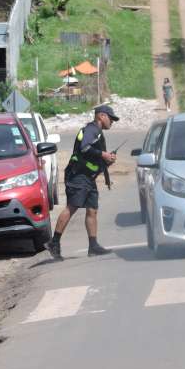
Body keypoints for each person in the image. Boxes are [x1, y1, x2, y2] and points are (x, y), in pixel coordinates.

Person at [45, 105, 119, 261]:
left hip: (88, 178)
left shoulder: (97, 133)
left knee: (92, 210)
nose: (112, 122)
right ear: (101, 116)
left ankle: (93, 246)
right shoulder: (91, 130)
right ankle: (54, 242)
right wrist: (104, 154)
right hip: (77, 175)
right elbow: (85, 148)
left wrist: (108, 161)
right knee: (72, 207)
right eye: (111, 118)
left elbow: (96, 159)